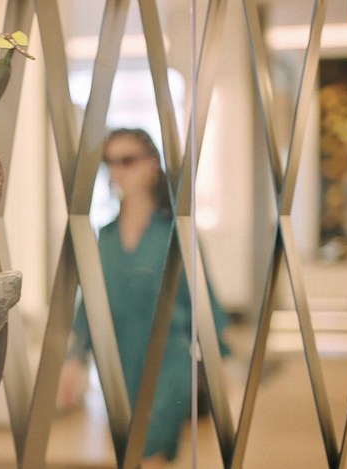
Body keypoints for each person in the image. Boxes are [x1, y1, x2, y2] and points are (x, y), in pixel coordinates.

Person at [58, 128, 229, 468]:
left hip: (168, 361)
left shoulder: (176, 232)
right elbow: (91, 303)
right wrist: (74, 359)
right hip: (119, 364)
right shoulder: (106, 235)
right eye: (110, 162)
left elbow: (204, 302)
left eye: (127, 160)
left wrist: (219, 368)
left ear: (152, 165)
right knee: (130, 454)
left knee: (151, 452)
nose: (116, 170)